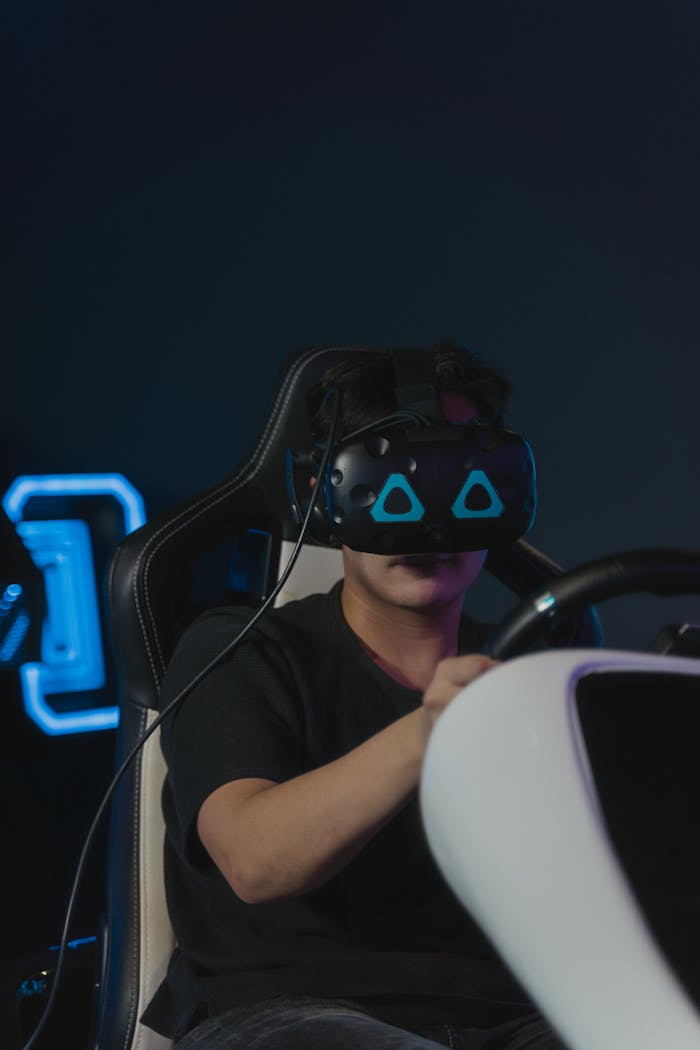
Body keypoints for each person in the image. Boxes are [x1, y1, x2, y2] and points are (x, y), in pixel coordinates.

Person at [142, 341, 568, 1049]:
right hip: (288, 1011)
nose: (428, 522)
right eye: (391, 481)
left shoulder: (534, 671)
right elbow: (256, 861)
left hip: (512, 1017)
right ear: (325, 498)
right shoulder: (242, 650)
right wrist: (430, 729)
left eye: (457, 477)